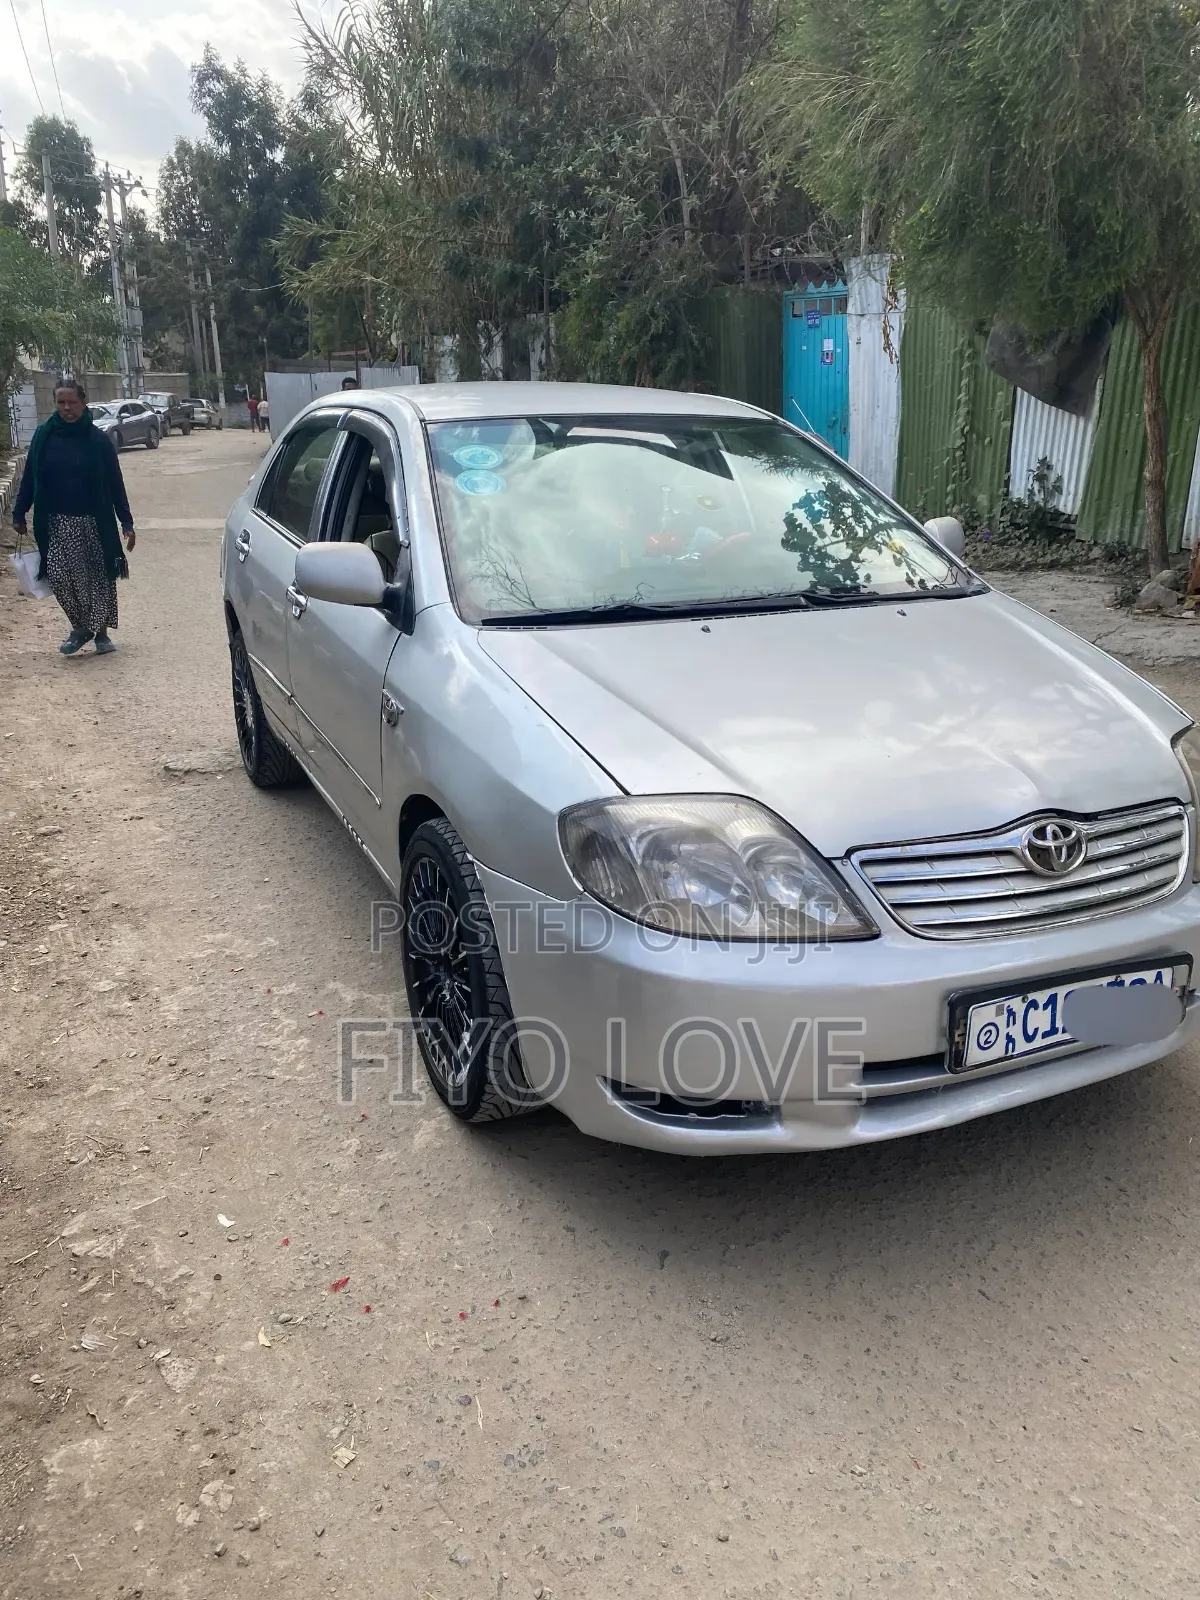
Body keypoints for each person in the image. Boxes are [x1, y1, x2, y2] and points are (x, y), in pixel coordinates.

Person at [11, 379, 137, 656]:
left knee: (97, 578)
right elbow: (29, 477)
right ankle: (80, 627)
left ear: (83, 403)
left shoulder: (98, 440)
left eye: (72, 402)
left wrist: (126, 523)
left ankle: (101, 632)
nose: (66, 408)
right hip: (55, 522)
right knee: (59, 577)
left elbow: (115, 484)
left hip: (94, 522)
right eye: (61, 402)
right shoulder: (44, 436)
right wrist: (19, 512)